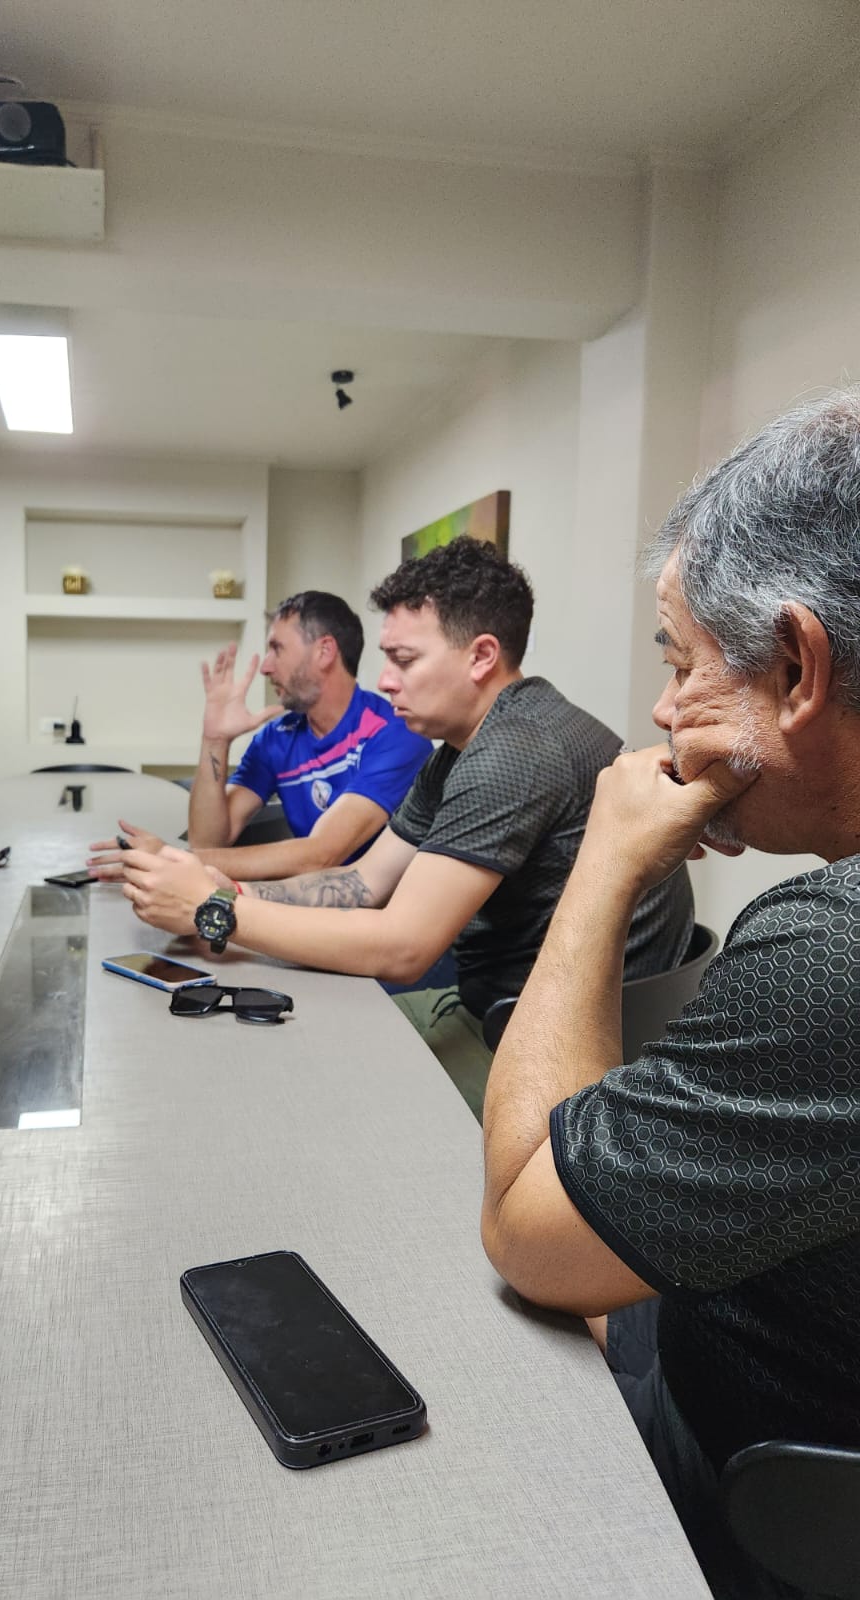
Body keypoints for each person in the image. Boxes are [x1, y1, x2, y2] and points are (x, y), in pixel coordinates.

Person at [479, 389, 860, 1600]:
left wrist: (605, 860)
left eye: (684, 664)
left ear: (797, 666)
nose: (659, 712)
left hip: (766, 1476)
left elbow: (529, 1233)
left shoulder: (833, 953)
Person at [117, 539, 694, 1113]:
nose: (386, 680)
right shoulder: (463, 746)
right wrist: (229, 889)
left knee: (297, 1080)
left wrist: (215, 910)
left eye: (405, 660)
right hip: (509, 1012)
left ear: (481, 656)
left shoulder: (513, 751)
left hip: (549, 1056)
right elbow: (365, 880)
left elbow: (403, 948)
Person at [88, 590, 431, 881]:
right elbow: (208, 842)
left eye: (277, 648)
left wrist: (168, 856)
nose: (266, 667)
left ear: (325, 651)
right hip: (308, 906)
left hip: (382, 921)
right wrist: (215, 739)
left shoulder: (394, 734)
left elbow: (321, 855)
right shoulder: (276, 739)